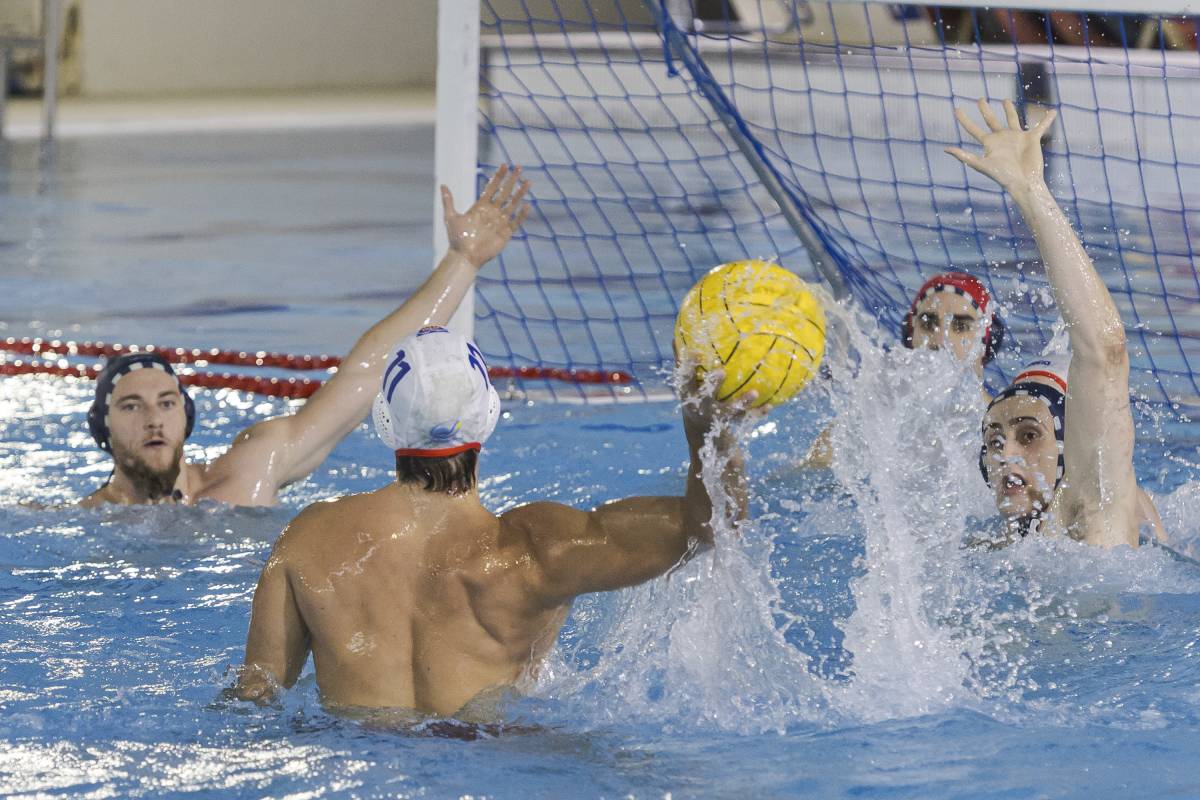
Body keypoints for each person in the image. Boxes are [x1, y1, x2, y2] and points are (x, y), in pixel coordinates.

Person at [235, 326, 754, 717]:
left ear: (385, 423)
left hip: (357, 757)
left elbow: (254, 697)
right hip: (491, 753)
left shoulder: (309, 538)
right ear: (488, 416)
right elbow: (708, 526)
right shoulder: (537, 552)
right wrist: (710, 432)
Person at [78, 165, 530, 508]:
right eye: (132, 406)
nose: (154, 419)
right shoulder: (84, 522)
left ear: (187, 416)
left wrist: (463, 261)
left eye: (167, 403)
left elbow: (365, 374)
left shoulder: (250, 472)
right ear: (102, 426)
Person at [948, 98, 1163, 548]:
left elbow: (1104, 350)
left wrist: (1030, 191)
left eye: (1029, 436)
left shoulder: (1095, 513)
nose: (1006, 454)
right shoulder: (982, 548)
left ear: (1073, 445)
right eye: (994, 439)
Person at [802, 270, 1004, 468]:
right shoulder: (874, 408)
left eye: (960, 327)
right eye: (928, 323)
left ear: (987, 341)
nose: (941, 340)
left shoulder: (1003, 424)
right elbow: (810, 472)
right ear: (910, 333)